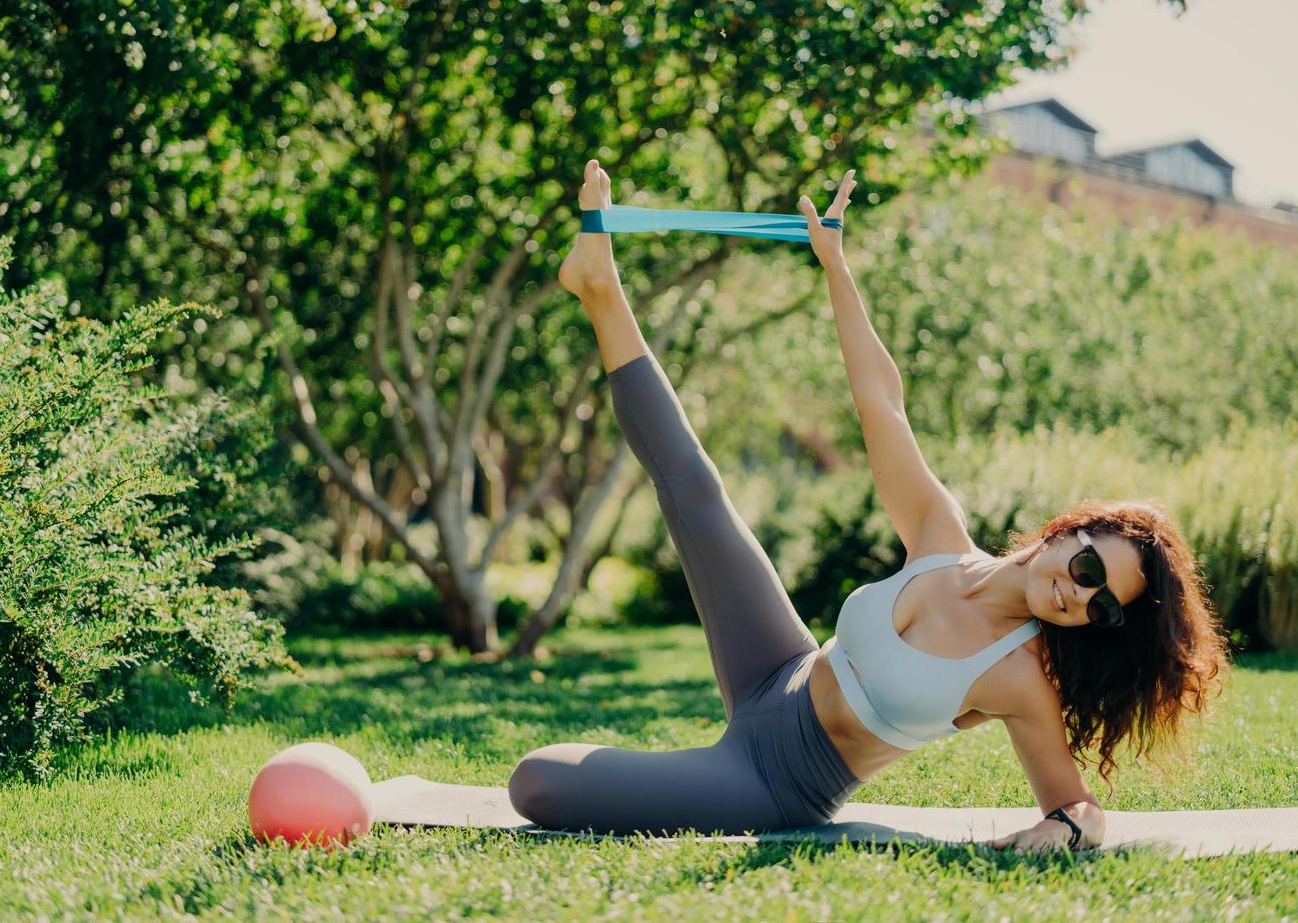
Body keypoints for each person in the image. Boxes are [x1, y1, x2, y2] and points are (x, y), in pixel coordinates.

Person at [506, 159, 1230, 852]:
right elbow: (882, 402)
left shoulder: (1018, 676)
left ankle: (676, 777)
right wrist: (835, 266)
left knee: (535, 781)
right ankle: (600, 285)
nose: (1080, 598)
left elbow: (1075, 805)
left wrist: (1070, 829)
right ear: (1066, 533)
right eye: (1087, 567)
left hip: (772, 782)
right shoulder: (941, 537)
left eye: (1103, 607)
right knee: (694, 486)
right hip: (777, 669)